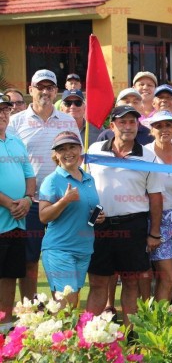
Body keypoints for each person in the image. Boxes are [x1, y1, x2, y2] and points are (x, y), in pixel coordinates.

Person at [86, 105, 164, 328]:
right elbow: (86, 186)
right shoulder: (95, 149)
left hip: (133, 226)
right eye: (122, 122)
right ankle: (89, 338)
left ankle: (130, 336)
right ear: (112, 126)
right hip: (99, 226)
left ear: (138, 125)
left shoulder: (148, 156)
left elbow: (156, 197)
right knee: (98, 282)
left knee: (131, 283)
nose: (128, 126)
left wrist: (154, 233)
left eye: (132, 122)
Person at [8, 69, 79, 301]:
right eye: (40, 87)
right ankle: (31, 308)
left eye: (50, 87)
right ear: (31, 90)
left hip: (62, 201)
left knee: (61, 257)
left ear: (56, 91)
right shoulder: (16, 122)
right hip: (31, 202)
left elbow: (78, 157)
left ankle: (60, 307)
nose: (45, 92)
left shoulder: (68, 120)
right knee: (29, 260)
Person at [38, 131, 104, 307]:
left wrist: (98, 217)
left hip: (84, 249)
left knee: (70, 306)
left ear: (80, 150)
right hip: (59, 249)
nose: (68, 152)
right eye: (62, 149)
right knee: (67, 303)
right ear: (56, 155)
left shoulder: (89, 178)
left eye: (72, 147)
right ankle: (54, 334)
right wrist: (64, 201)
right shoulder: (51, 181)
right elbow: (43, 216)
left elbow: (88, 209)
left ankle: (59, 334)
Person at [0, 95, 35, 333]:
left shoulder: (15, 140)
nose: (3, 114)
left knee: (10, 275)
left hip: (16, 222)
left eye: (6, 110)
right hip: (6, 217)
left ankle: (5, 324)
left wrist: (27, 199)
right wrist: (10, 203)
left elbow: (29, 175)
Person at [146, 110, 172, 302]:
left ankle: (159, 323)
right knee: (168, 277)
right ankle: (156, 324)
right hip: (152, 221)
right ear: (151, 130)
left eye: (168, 125)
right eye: (158, 125)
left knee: (167, 278)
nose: (164, 129)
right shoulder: (144, 154)